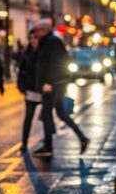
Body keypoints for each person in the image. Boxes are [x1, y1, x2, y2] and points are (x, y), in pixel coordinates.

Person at [32, 19, 90, 157]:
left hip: (53, 85)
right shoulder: (46, 42)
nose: (35, 33)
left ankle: (48, 146)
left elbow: (56, 64)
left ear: (45, 30)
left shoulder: (52, 42)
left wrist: (49, 83)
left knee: (47, 113)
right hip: (54, 84)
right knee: (60, 113)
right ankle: (82, 138)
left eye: (37, 30)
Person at [18, 29, 40, 152]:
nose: (33, 41)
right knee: (28, 117)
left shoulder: (43, 53)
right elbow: (21, 70)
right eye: (31, 38)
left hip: (43, 90)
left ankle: (48, 143)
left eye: (35, 38)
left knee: (48, 118)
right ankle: (24, 143)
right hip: (31, 90)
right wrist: (21, 86)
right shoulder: (27, 54)